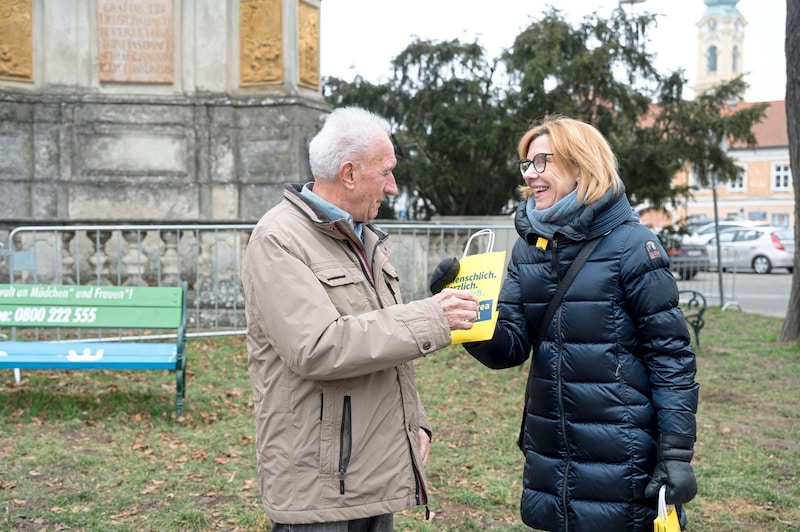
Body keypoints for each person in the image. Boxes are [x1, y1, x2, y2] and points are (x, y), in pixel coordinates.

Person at [432, 115, 699, 531]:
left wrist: (677, 455)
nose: (531, 175)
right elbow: (510, 347)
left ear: (581, 164)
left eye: (543, 162)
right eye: (527, 164)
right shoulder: (528, 249)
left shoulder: (633, 245)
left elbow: (671, 358)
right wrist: (465, 315)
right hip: (551, 454)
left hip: (622, 456)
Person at [241, 106, 479, 531]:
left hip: (373, 470)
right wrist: (430, 317)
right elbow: (317, 347)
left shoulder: (363, 237)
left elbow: (386, 348)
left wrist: (416, 423)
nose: (393, 187)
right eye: (385, 172)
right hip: (318, 486)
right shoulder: (278, 238)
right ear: (349, 174)